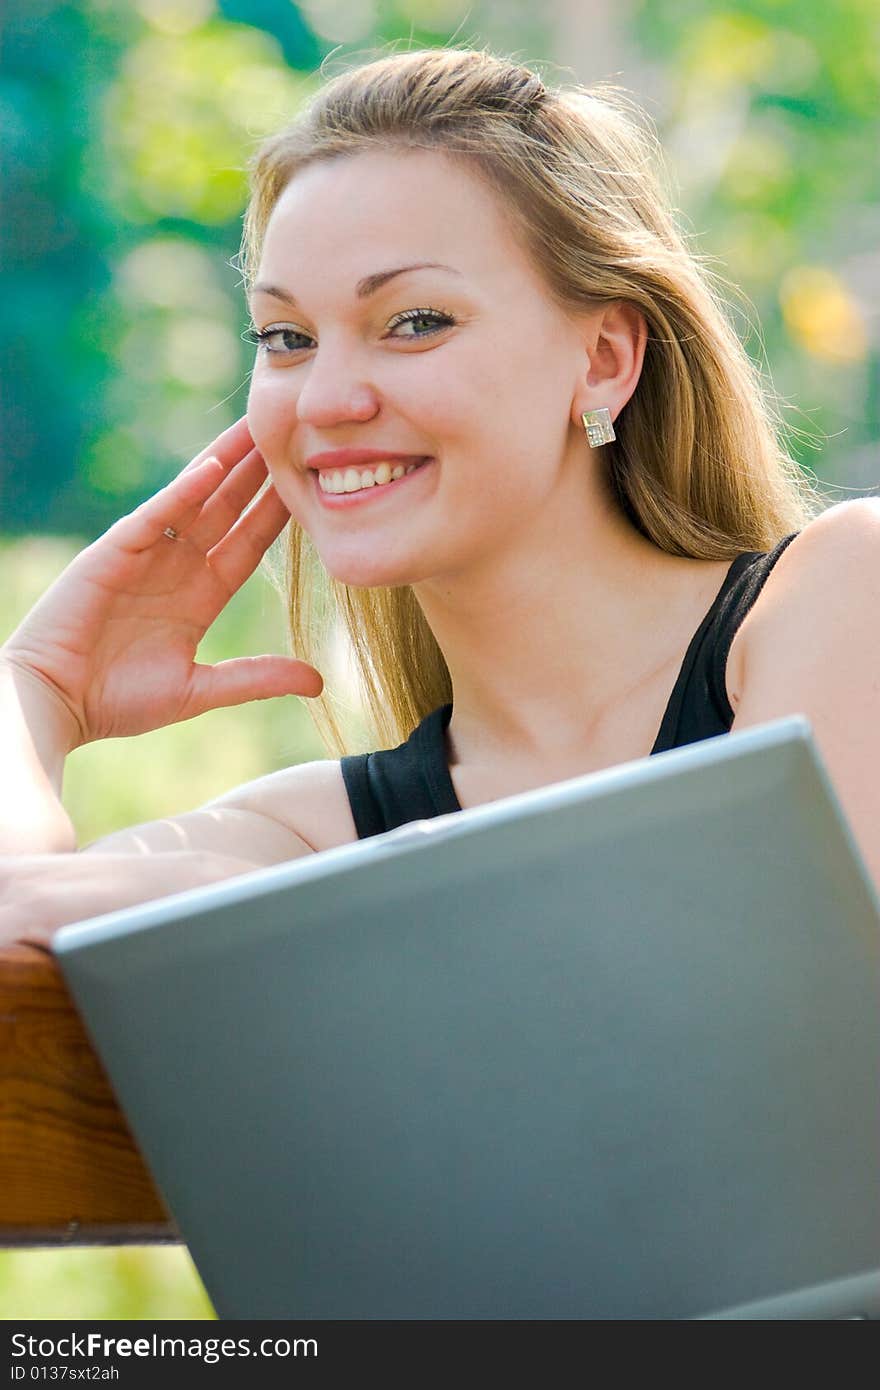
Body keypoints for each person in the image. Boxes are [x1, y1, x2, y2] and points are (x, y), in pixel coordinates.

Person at [2, 46, 878, 947]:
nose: (330, 399)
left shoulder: (841, 598)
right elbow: (13, 928)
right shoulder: (308, 833)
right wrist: (37, 690)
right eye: (287, 336)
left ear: (604, 358)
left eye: (414, 322)